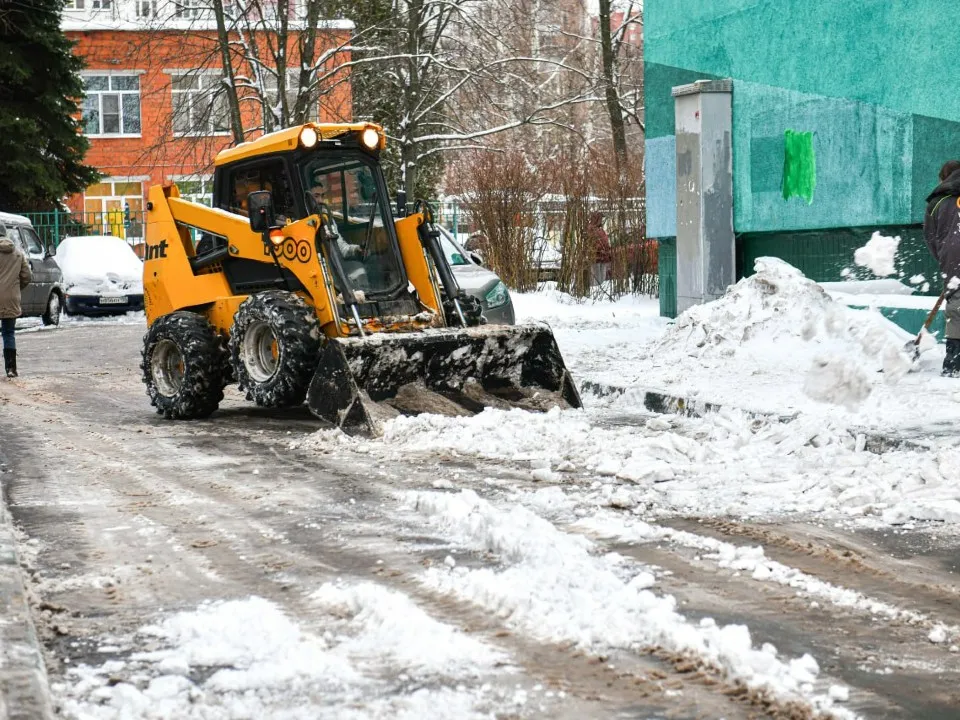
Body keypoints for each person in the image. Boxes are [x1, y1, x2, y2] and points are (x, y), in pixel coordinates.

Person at [924, 160, 960, 376]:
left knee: (956, 309)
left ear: (944, 178)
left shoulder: (936, 202)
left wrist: (946, 260)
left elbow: (931, 238)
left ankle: (954, 364)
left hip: (953, 259)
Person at [0, 223, 32, 378]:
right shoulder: (18, 253)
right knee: (8, 333)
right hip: (11, 298)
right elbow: (27, 276)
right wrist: (15, 288)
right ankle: (11, 368)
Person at [308, 179, 363, 260]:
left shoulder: (327, 218)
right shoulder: (300, 223)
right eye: (316, 196)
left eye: (322, 196)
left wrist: (356, 249)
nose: (320, 200)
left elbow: (341, 248)